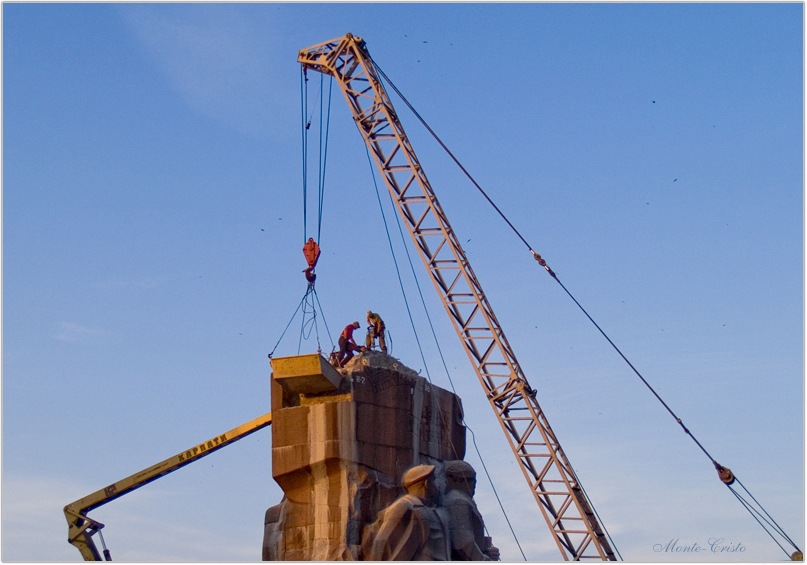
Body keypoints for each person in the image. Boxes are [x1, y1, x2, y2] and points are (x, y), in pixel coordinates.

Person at [363, 464, 450, 561]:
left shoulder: (429, 509)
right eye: (433, 481)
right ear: (427, 484)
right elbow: (383, 546)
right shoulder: (405, 507)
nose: (436, 486)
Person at [440, 460, 500, 561]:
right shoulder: (458, 501)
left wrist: (485, 551)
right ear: (457, 480)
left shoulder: (464, 500)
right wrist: (483, 559)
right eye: (471, 480)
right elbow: (463, 542)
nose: (475, 484)